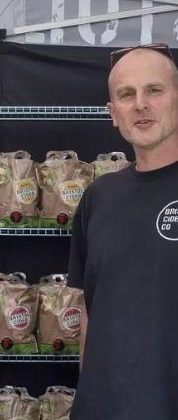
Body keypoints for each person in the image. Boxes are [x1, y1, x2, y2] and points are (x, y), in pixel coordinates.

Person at [67, 44, 178, 419]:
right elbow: (91, 313)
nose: (141, 104)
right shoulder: (100, 197)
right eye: (126, 95)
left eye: (154, 90)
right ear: (113, 113)